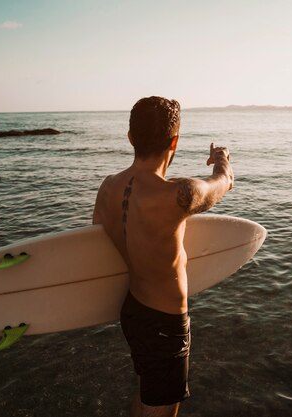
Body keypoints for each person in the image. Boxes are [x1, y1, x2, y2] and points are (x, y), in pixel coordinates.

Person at [92, 96, 234, 417]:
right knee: (162, 409)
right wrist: (221, 158)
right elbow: (224, 182)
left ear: (131, 138)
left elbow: (99, 249)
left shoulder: (107, 187)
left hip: (132, 311)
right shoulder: (178, 195)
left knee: (146, 394)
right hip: (165, 323)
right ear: (175, 141)